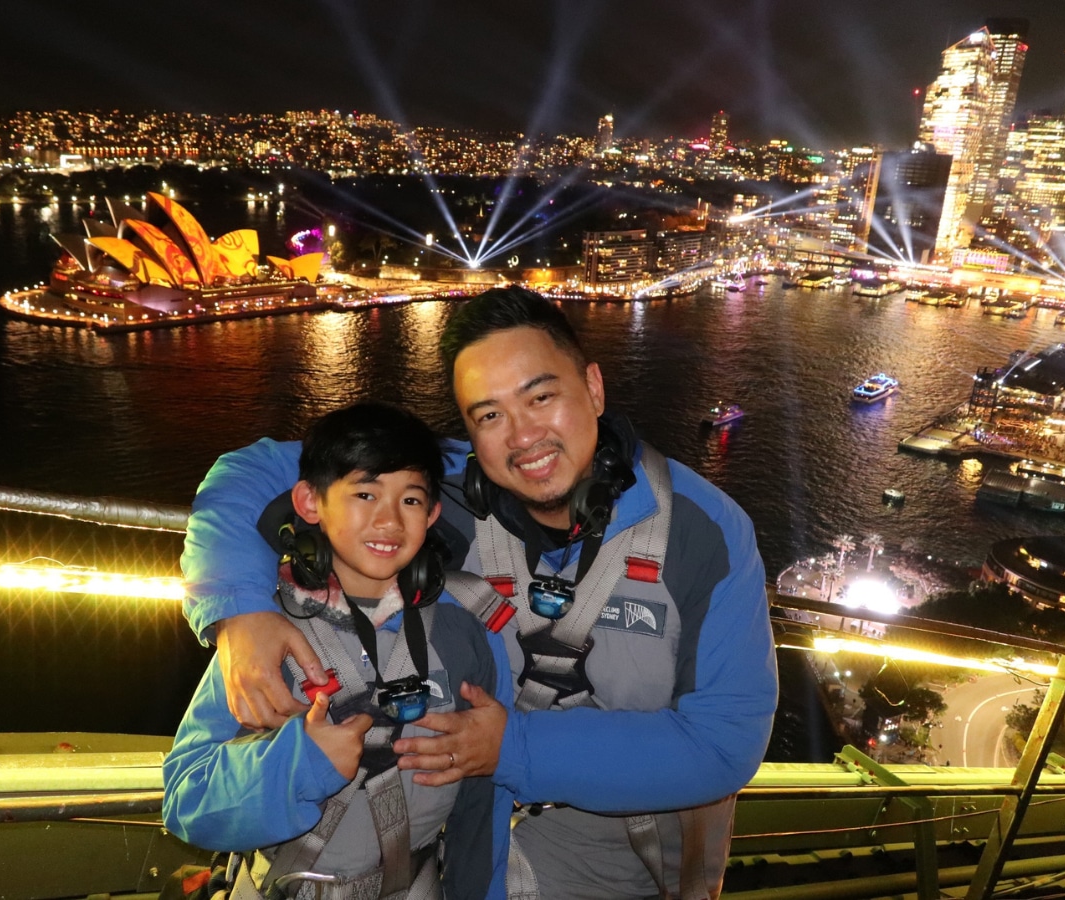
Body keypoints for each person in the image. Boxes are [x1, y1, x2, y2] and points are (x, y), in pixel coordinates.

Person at [180, 287, 779, 899]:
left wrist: (514, 748)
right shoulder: (441, 492)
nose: (522, 438)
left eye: (541, 397)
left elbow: (724, 741)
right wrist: (238, 611)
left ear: (594, 389)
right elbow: (248, 473)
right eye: (488, 414)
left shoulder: (704, 530)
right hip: (465, 864)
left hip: (623, 878)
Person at [163, 402, 514, 900]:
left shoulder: (466, 627)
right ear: (309, 502)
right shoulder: (265, 634)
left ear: (434, 513)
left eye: (411, 501)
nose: (388, 519)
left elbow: (481, 803)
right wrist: (301, 765)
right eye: (365, 493)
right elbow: (186, 798)